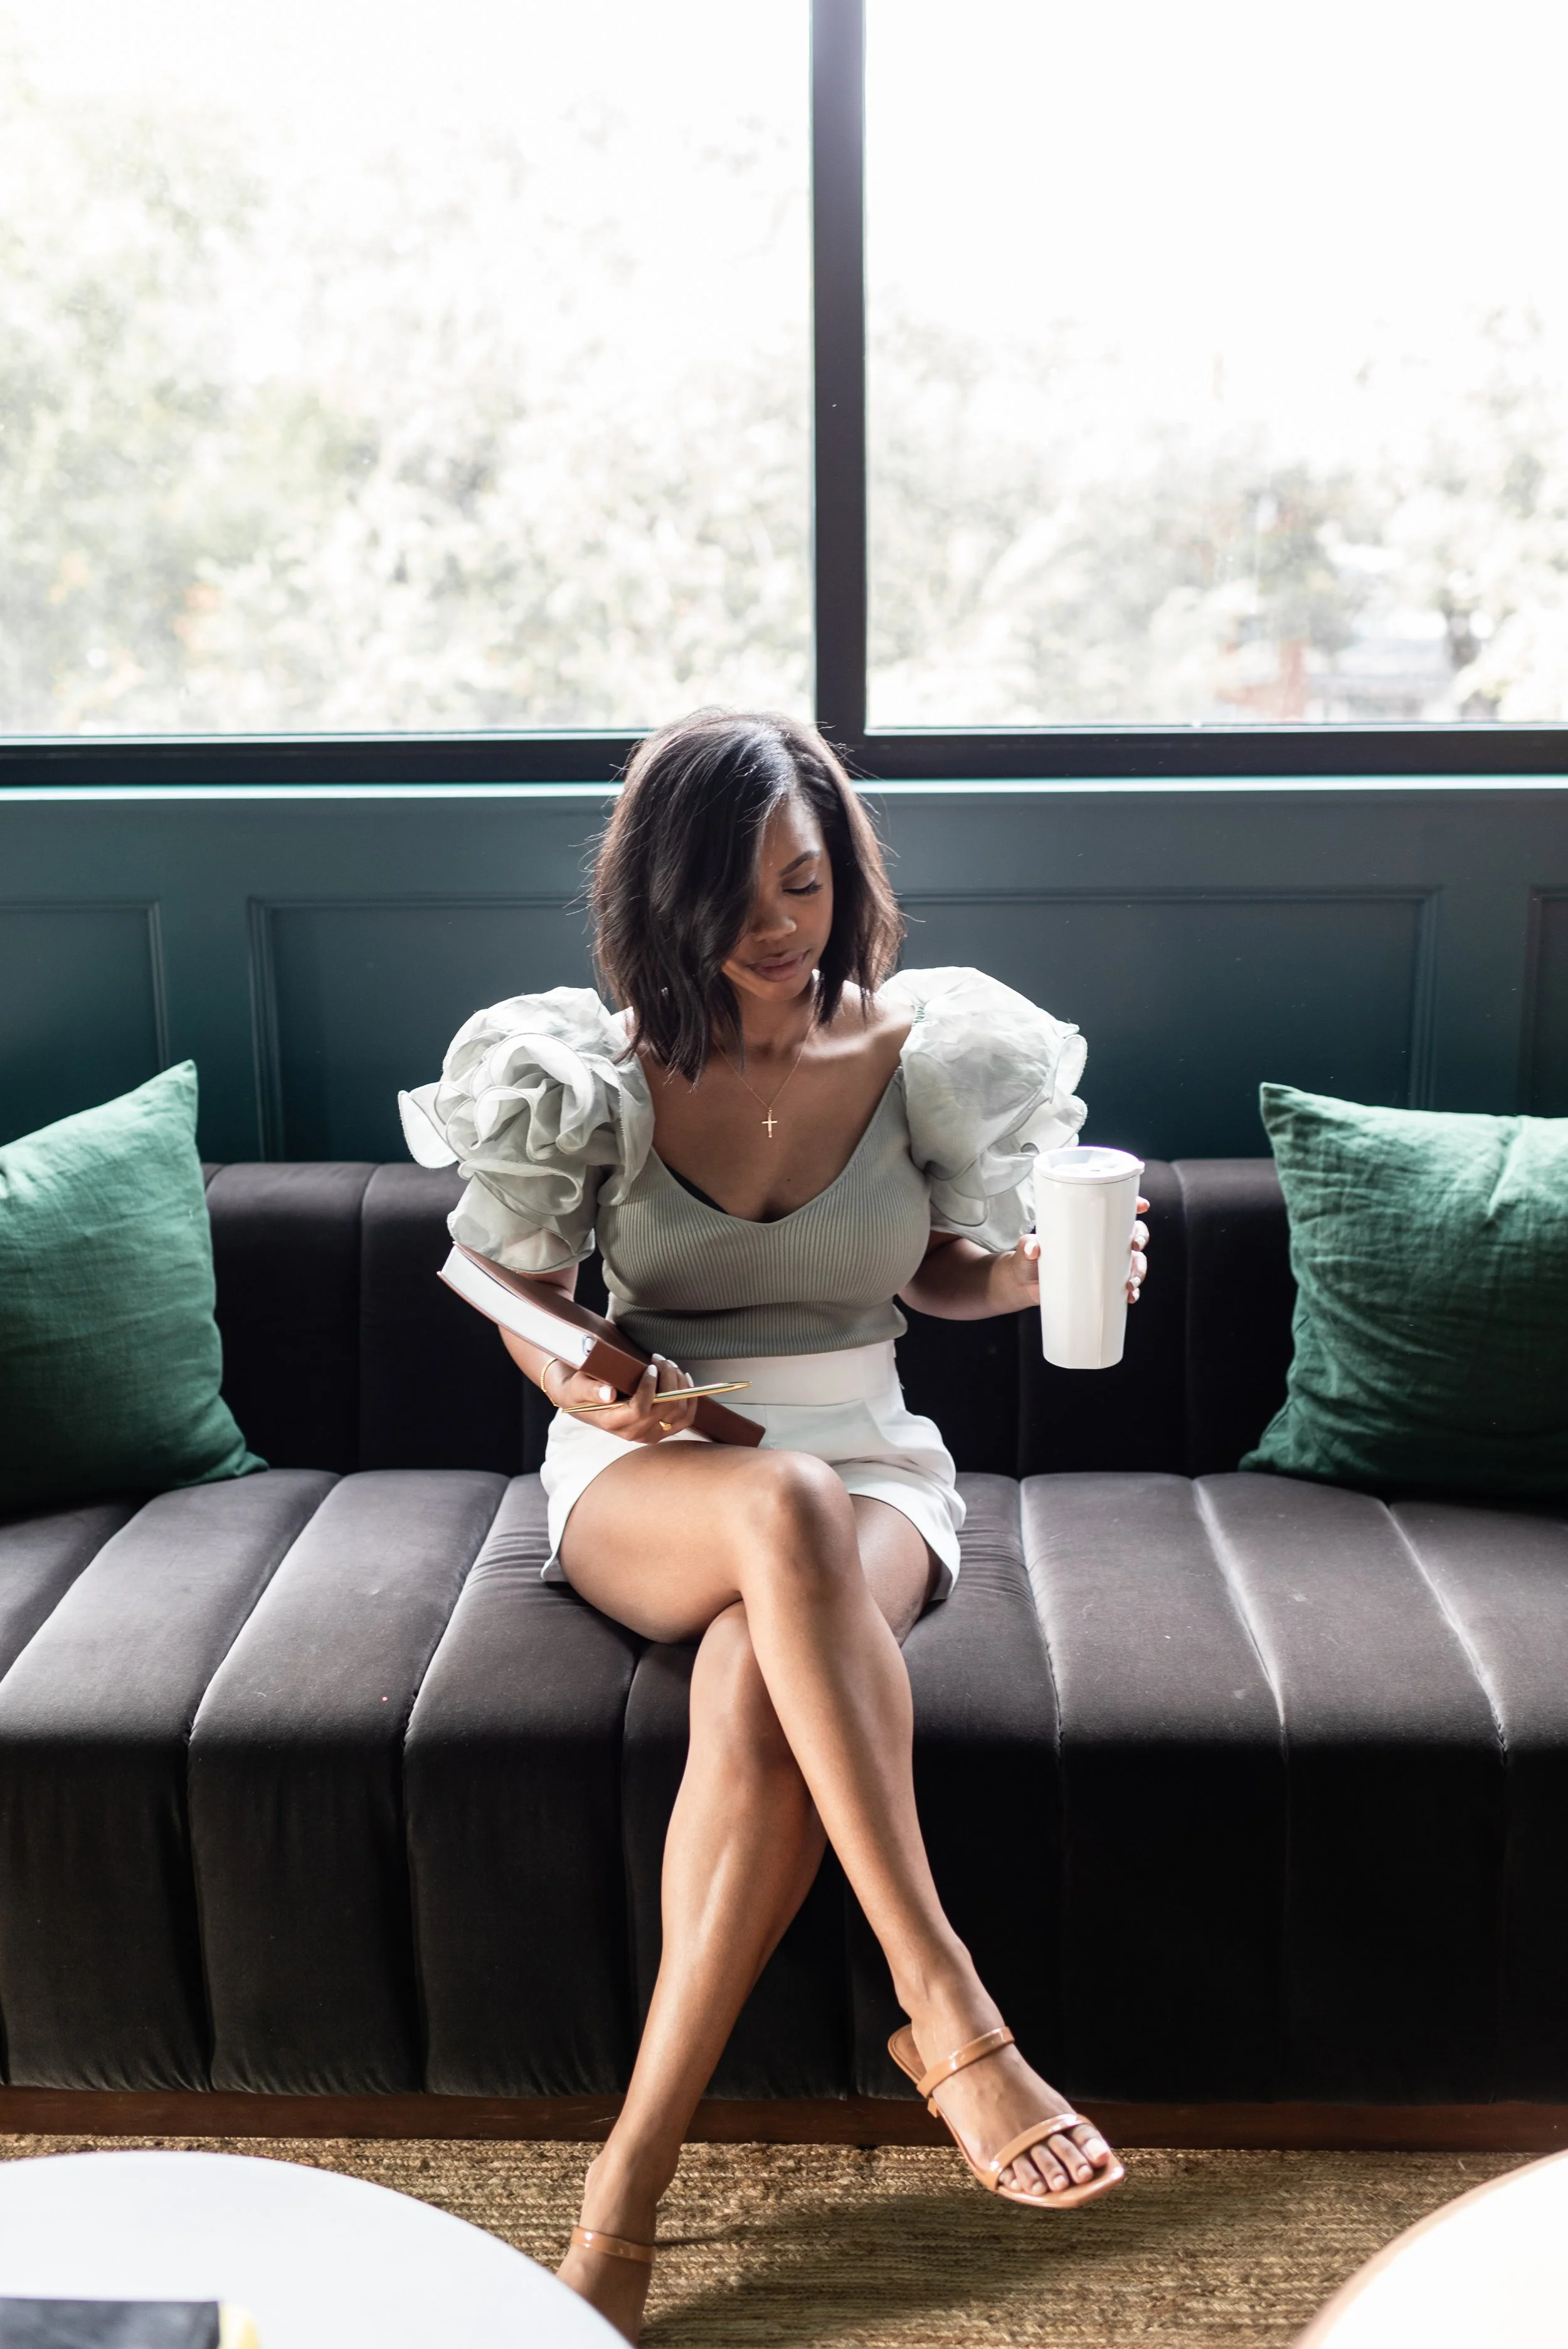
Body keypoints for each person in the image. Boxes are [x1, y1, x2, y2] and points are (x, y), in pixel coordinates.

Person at [401, 710, 1148, 2343]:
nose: (774, 930)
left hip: (868, 1456)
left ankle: (624, 2196)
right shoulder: (580, 1067)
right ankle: (946, 2006)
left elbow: (931, 1278)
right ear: (656, 896)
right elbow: (494, 1278)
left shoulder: (923, 1050)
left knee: (758, 1681)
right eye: (735, 897)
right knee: (773, 1513)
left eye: (803, 886)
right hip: (658, 1466)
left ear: (843, 881)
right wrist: (582, 1378)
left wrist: (1020, 1277)